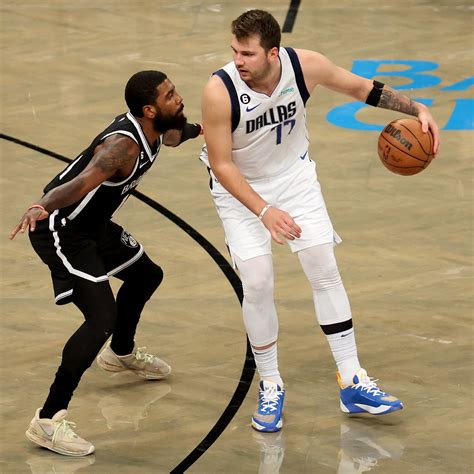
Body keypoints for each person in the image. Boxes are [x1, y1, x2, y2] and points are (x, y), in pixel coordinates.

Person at [200, 10, 440, 433]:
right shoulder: (219, 91)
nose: (238, 60)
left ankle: (352, 380)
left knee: (323, 268)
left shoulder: (304, 65)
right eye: (235, 51)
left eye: (248, 53)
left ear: (273, 53)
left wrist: (415, 107)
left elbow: (364, 89)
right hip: (241, 191)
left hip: (294, 178)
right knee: (256, 281)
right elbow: (221, 164)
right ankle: (270, 383)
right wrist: (263, 211)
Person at [10, 70, 202, 456]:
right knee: (100, 318)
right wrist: (41, 206)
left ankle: (121, 353)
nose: (178, 97)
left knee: (146, 276)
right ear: (149, 109)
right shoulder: (122, 148)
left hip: (94, 226)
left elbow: (176, 134)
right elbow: (80, 183)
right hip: (62, 229)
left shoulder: (157, 128)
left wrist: (209, 128)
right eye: (169, 95)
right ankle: (47, 421)